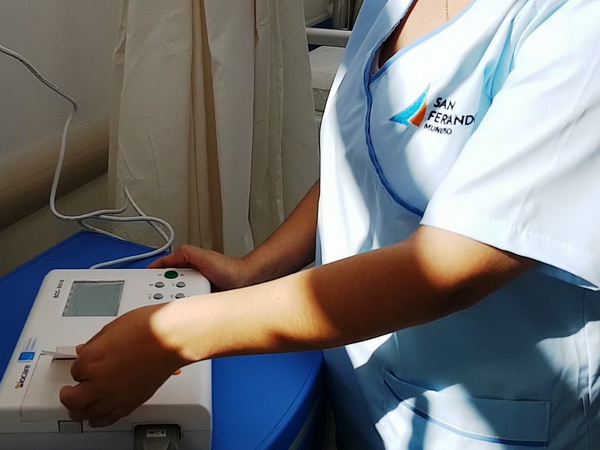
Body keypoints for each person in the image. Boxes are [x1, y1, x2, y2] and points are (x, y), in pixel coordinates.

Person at [60, 0, 600, 448]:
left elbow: (448, 269)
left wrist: (174, 334)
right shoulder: (391, 6)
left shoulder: (575, 24)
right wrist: (255, 268)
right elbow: (359, 160)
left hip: (488, 417)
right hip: (361, 391)